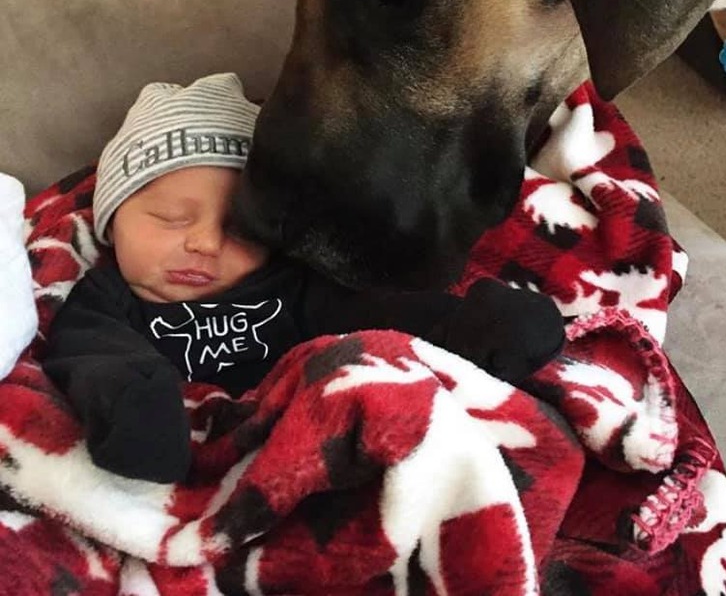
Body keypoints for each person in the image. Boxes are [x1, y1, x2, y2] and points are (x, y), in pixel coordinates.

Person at [42, 74, 564, 483]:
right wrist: (134, 411)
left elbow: (378, 313)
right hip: (187, 453)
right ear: (111, 222)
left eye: (240, 227)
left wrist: (468, 325)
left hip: (310, 439)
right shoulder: (105, 301)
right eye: (171, 217)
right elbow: (95, 357)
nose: (204, 242)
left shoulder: (291, 285)